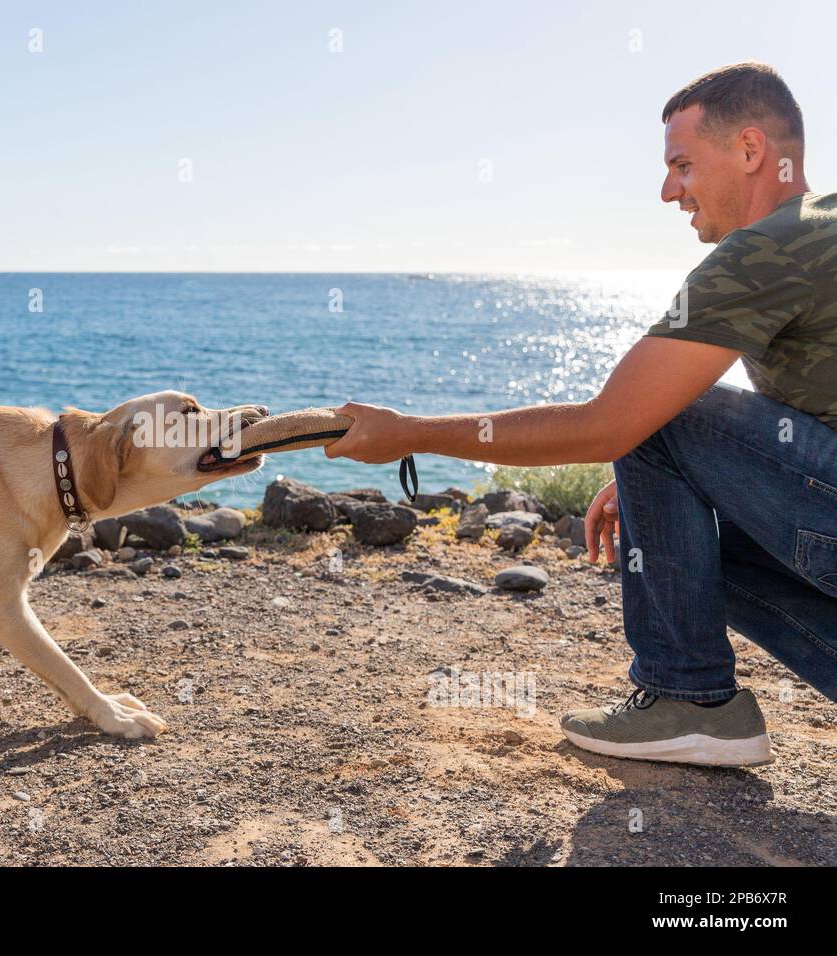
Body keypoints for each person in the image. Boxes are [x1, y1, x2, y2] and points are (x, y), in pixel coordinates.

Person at [326, 62, 836, 767]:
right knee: (680, 531)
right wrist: (670, 491)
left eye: (682, 165)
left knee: (659, 419)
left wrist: (411, 433)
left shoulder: (768, 246)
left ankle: (689, 698)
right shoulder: (822, 229)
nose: (668, 191)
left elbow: (612, 423)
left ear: (750, 151)